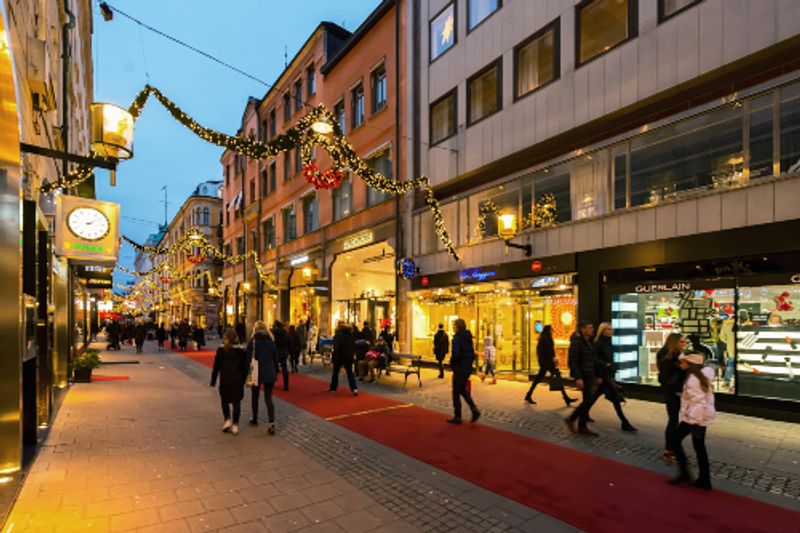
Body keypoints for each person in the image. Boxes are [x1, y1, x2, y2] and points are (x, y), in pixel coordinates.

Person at [668, 353, 715, 490]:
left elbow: (698, 401)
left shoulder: (694, 379)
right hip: (701, 416)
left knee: (675, 440)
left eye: (683, 362)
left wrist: (693, 420)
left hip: (695, 417)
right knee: (699, 447)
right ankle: (704, 480)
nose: (680, 365)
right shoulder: (700, 375)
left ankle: (685, 474)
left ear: (690, 363)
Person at [592, 323, 637, 432]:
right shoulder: (598, 343)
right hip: (603, 373)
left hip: (609, 373)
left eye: (612, 329)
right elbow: (595, 359)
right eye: (609, 329)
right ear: (603, 331)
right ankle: (624, 422)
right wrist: (604, 366)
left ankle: (581, 413)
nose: (611, 331)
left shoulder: (609, 342)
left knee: (594, 396)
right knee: (616, 397)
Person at [524, 326, 577, 406]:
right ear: (548, 330)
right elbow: (548, 352)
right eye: (551, 329)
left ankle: (528, 395)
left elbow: (541, 351)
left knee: (540, 379)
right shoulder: (547, 339)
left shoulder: (543, 339)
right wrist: (553, 359)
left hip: (545, 363)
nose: (552, 331)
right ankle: (566, 398)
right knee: (556, 378)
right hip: (547, 363)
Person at [210, 329, 248, 435]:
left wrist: (213, 380)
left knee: (224, 400)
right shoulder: (241, 351)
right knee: (237, 402)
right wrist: (244, 379)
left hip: (225, 379)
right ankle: (235, 424)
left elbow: (216, 366)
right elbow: (245, 368)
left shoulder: (221, 351)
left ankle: (227, 419)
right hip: (237, 379)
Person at [565, 321, 599, 436]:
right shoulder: (577, 343)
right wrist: (578, 377)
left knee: (588, 401)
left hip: (589, 375)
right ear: (582, 329)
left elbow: (592, 360)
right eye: (590, 327)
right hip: (583, 375)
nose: (592, 329)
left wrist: (595, 375)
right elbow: (572, 361)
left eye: (592, 328)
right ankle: (572, 419)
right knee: (588, 400)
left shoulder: (589, 342)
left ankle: (581, 426)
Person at [658, 333, 688, 463]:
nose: (684, 344)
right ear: (674, 342)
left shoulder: (673, 354)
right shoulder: (670, 356)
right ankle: (669, 449)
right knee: (674, 419)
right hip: (673, 391)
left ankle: (670, 448)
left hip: (674, 390)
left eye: (684, 342)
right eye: (681, 342)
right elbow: (667, 377)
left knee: (674, 419)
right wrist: (681, 368)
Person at [246, 321, 279, 435]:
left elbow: (248, 357)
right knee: (268, 398)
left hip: (256, 372)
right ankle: (271, 422)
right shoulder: (271, 341)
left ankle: (255, 418)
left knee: (255, 396)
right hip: (269, 371)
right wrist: (276, 372)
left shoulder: (253, 341)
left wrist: (247, 372)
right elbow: (276, 358)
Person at [448, 318, 480, 425]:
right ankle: (474, 409)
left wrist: (452, 363)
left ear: (457, 327)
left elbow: (455, 355)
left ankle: (458, 417)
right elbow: (472, 353)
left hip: (459, 368)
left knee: (456, 392)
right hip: (467, 368)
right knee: (462, 389)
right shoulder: (468, 338)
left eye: (454, 325)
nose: (453, 327)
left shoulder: (457, 339)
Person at [329, 321, 358, 396]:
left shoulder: (338, 335)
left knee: (335, 372)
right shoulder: (351, 334)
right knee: (349, 372)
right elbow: (354, 345)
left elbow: (336, 346)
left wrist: (334, 356)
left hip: (339, 356)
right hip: (348, 356)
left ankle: (333, 388)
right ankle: (354, 388)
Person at [271, 321, 290, 391]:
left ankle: (273, 382)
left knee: (274, 368)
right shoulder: (285, 333)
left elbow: (273, 342)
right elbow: (288, 343)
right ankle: (286, 385)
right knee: (285, 369)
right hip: (284, 352)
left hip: (276, 352)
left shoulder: (274, 333)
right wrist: (289, 352)